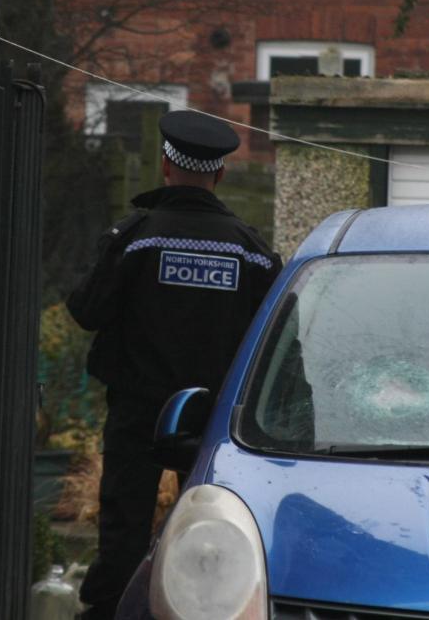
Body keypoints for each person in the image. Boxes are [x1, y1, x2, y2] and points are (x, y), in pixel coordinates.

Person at [66, 110, 282, 618]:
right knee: (214, 536)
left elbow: (85, 310)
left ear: (166, 166)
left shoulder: (136, 238)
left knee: (122, 537)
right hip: (214, 422)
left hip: (138, 412)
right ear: (220, 174)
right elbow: (273, 342)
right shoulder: (248, 250)